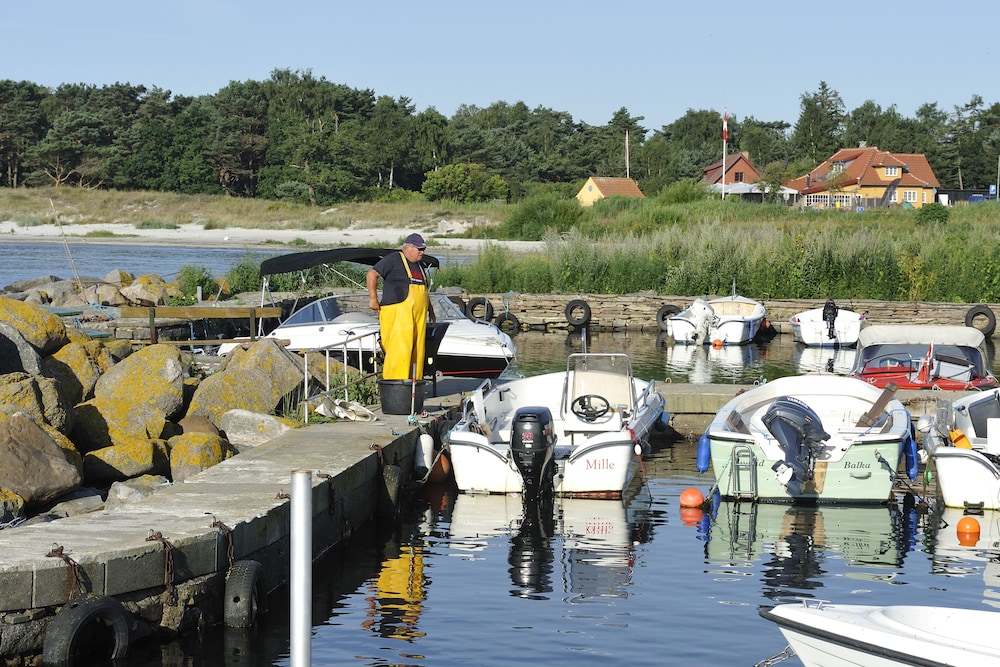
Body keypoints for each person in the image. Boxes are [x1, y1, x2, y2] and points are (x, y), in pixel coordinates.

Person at [367, 233, 435, 380]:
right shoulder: (394, 259)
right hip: (398, 315)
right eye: (419, 249)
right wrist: (373, 298)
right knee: (400, 350)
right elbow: (372, 274)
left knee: (417, 351)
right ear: (408, 247)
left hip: (418, 316)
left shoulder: (419, 265)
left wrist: (430, 309)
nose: (422, 252)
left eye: (423, 249)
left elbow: (423, 290)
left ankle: (413, 384)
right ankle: (395, 385)